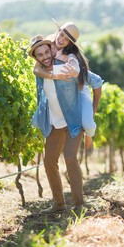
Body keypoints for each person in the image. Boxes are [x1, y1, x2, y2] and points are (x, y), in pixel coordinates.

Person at [28, 35, 103, 215]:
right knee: (48, 161)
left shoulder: (67, 68)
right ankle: (59, 203)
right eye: (40, 54)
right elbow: (37, 72)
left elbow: (93, 81)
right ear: (36, 58)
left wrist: (92, 109)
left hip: (72, 121)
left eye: (47, 52)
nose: (45, 56)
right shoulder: (40, 72)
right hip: (54, 123)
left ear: (51, 50)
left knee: (70, 157)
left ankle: (78, 204)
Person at [33, 21, 102, 156]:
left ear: (70, 43)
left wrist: (74, 71)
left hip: (80, 90)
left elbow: (82, 71)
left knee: (87, 124)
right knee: (39, 120)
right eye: (62, 34)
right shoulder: (48, 46)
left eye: (67, 39)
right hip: (63, 91)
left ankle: (89, 136)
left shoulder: (71, 56)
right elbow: (36, 69)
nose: (62, 39)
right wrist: (53, 76)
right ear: (58, 31)